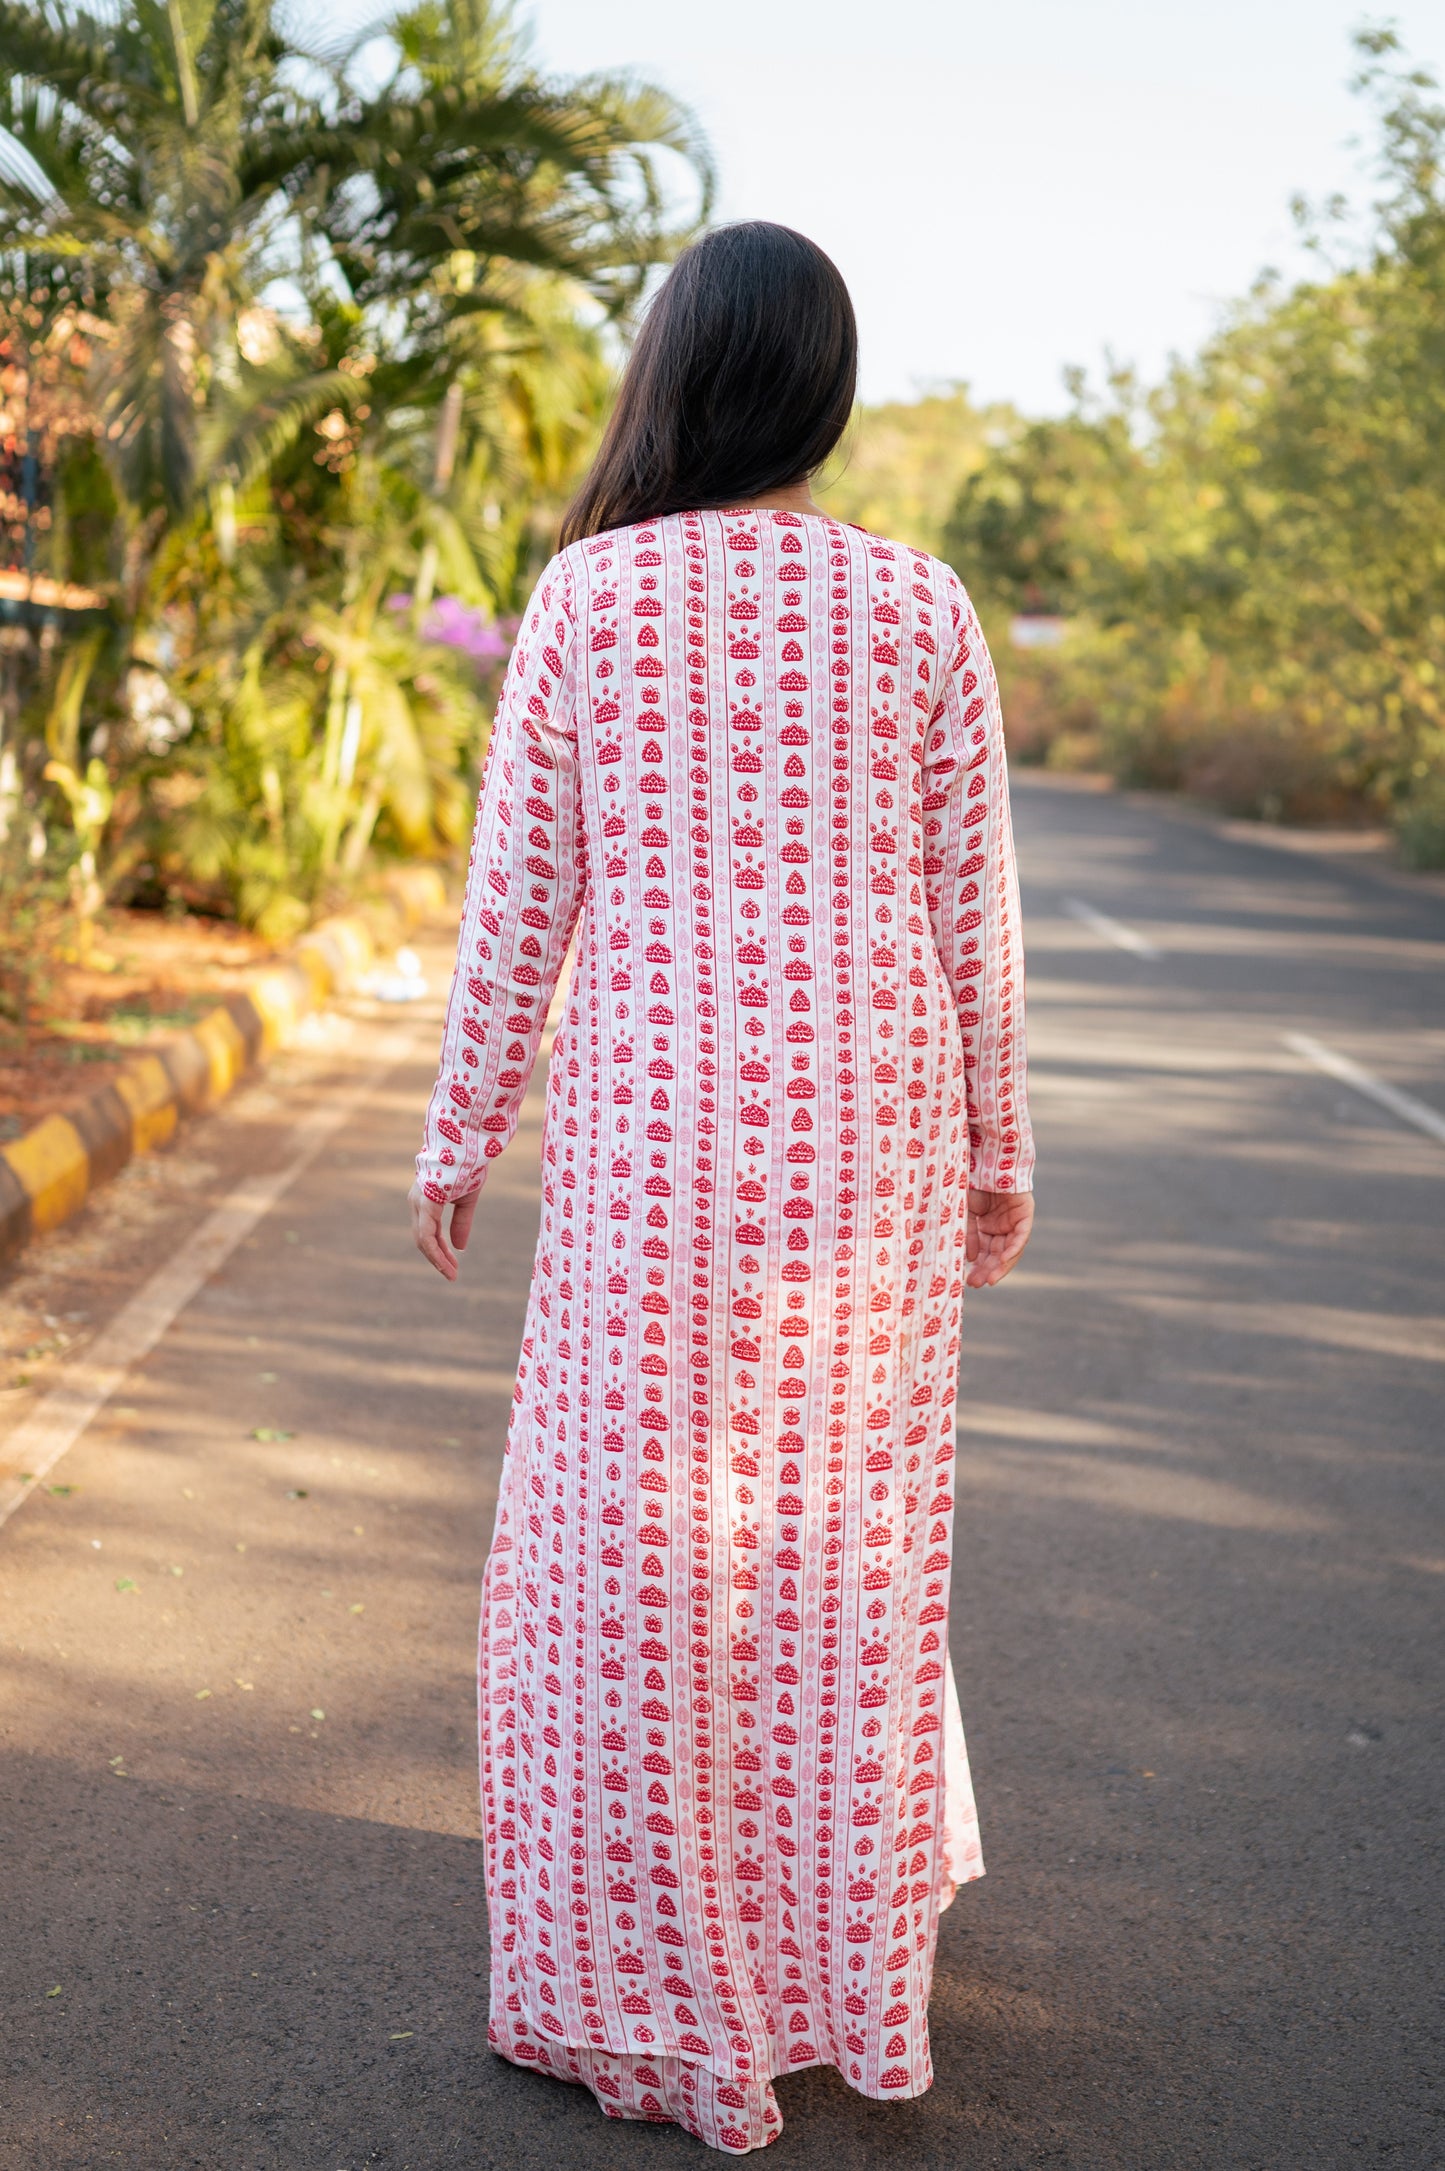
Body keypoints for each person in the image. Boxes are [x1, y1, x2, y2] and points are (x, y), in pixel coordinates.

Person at [410, 220, 1035, 2154]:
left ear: (671, 374)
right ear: (825, 394)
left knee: (627, 1564)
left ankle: (634, 1980)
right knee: (835, 1563)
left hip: (655, 1157)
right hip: (873, 1148)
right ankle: (828, 1969)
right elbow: (970, 924)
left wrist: (458, 1134)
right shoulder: (919, 607)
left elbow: (523, 908)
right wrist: (998, 1159)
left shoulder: (592, 601)